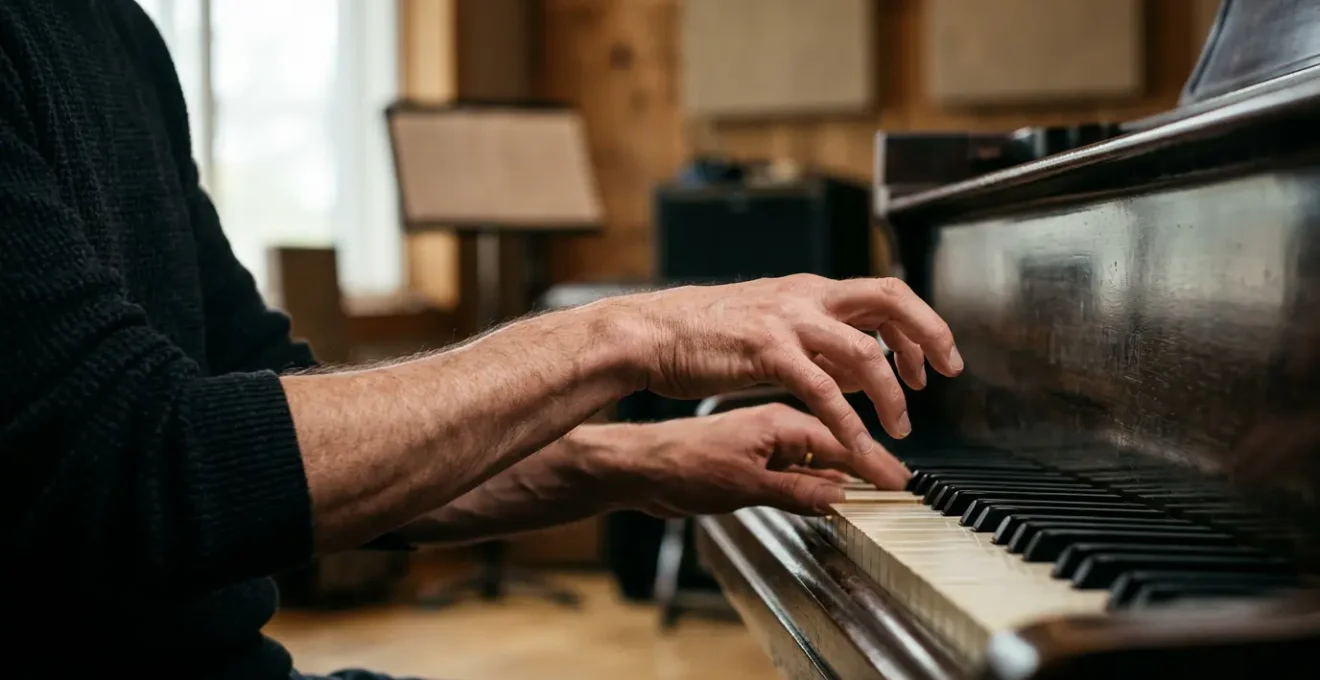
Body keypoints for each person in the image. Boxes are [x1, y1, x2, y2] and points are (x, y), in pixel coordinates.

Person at [0, 1, 963, 678]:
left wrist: (643, 460)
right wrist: (629, 332)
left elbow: (300, 447)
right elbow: (134, 471)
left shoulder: (118, 33)